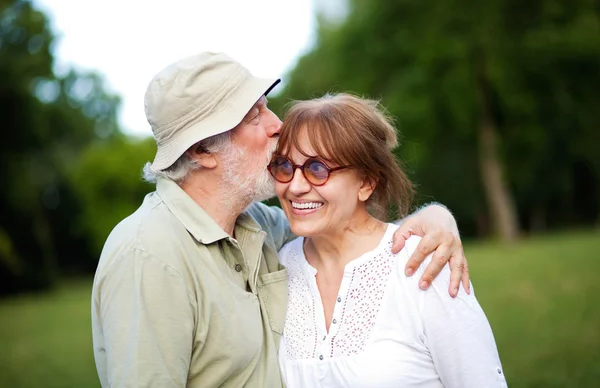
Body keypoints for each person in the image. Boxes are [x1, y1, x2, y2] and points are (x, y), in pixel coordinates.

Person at [91, 52, 469, 387]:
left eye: (266, 106)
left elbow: (343, 218)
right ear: (202, 150)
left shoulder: (258, 224)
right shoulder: (147, 256)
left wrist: (436, 217)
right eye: (254, 115)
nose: (277, 124)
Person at [271, 93, 507, 387]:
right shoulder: (275, 268)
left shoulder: (424, 261)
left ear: (367, 182)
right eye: (284, 166)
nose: (294, 186)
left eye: (317, 169)